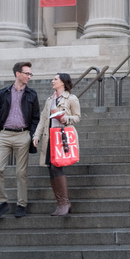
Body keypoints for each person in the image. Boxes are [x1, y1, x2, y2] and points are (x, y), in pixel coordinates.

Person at [0, 62, 41, 219]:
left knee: (21, 172)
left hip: (22, 135)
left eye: (30, 74)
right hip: (4, 135)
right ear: (18, 74)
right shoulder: (4, 92)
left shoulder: (32, 94)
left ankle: (21, 204)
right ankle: (2, 202)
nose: (29, 76)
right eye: (26, 73)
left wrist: (31, 135)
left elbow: (35, 118)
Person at [32, 72, 81, 216]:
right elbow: (42, 119)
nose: (52, 81)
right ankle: (60, 202)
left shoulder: (71, 98)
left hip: (62, 137)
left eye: (55, 79)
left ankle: (64, 202)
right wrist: (36, 135)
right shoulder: (49, 100)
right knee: (51, 168)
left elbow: (77, 117)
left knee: (56, 167)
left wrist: (65, 118)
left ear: (63, 82)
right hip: (50, 137)